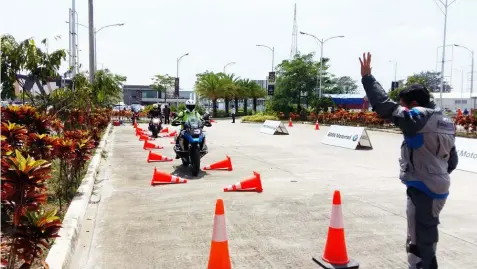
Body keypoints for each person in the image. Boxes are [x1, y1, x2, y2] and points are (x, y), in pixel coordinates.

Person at [359, 52, 458, 269]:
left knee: (419, 242)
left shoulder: (418, 117)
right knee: (426, 234)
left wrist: (367, 78)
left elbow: (385, 107)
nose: (402, 108)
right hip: (438, 186)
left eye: (404, 104)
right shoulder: (446, 122)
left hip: (423, 188)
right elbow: (452, 162)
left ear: (413, 103)